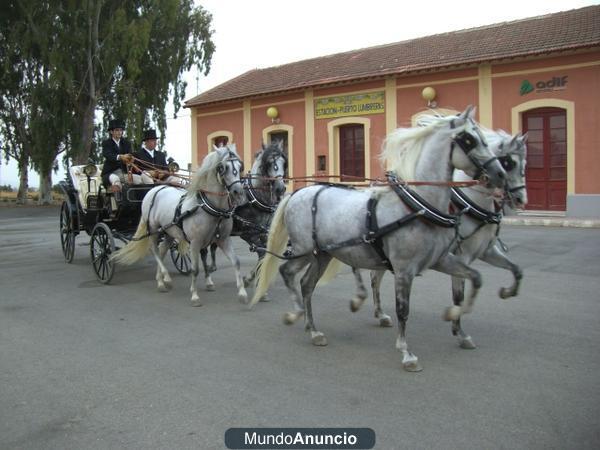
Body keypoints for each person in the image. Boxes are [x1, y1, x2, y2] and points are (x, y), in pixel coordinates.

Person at [100, 119, 136, 192]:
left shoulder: (127, 143)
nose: (119, 132)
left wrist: (130, 159)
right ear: (111, 132)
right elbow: (108, 155)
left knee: (140, 179)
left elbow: (130, 155)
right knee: (116, 181)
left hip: (125, 172)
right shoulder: (106, 143)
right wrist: (120, 157)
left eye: (121, 130)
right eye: (117, 130)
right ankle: (118, 202)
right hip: (110, 172)